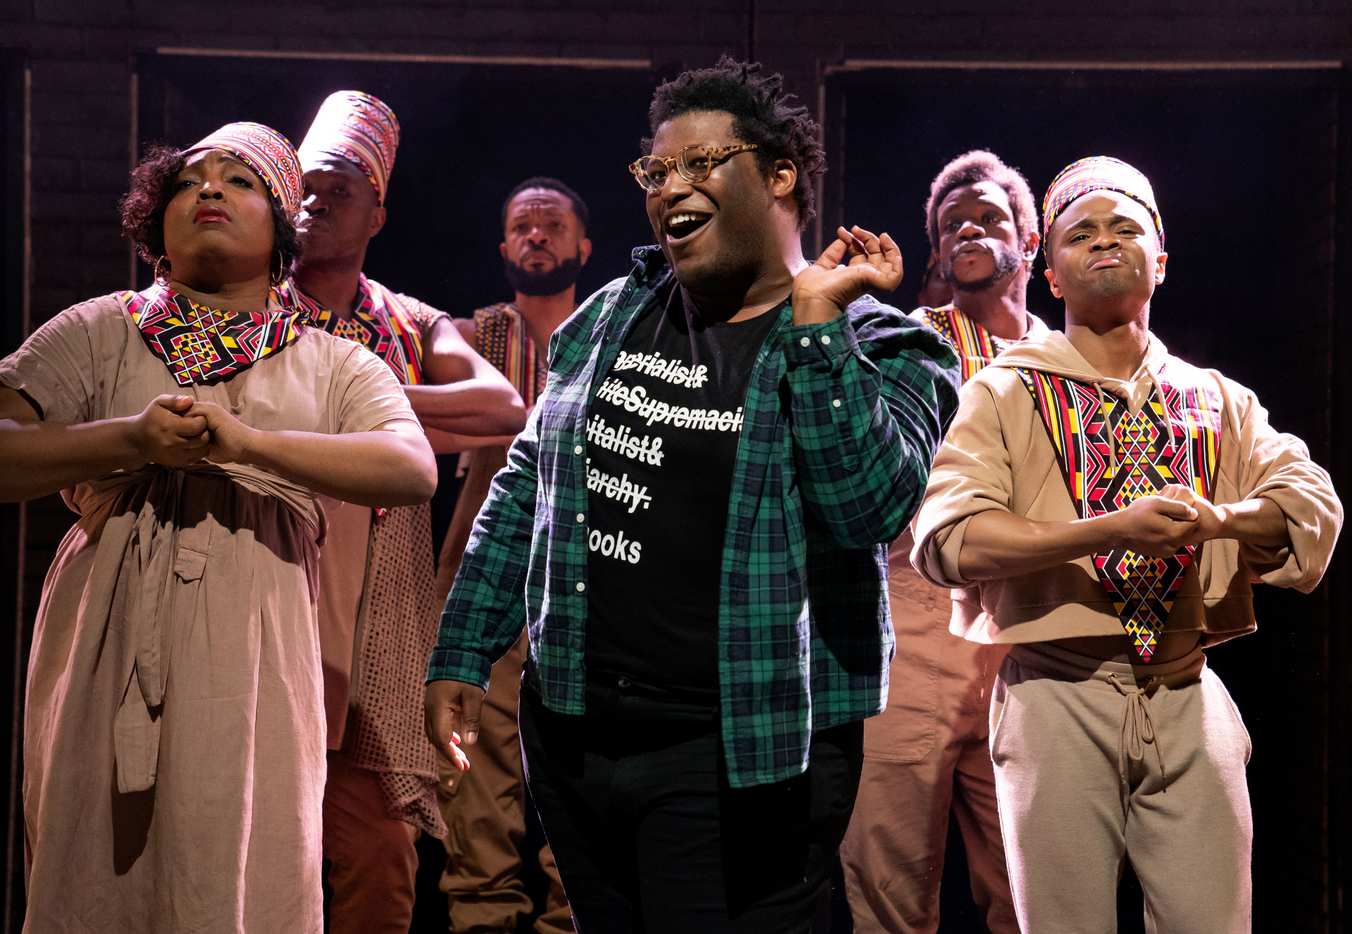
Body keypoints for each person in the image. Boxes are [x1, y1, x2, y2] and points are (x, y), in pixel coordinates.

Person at [425, 57, 959, 933]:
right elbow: (529, 485)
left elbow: (868, 508)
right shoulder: (610, 315)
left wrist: (818, 325)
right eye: (657, 171)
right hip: (575, 733)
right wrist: (462, 649)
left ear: (780, 174)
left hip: (741, 751)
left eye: (702, 163)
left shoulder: (885, 344)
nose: (672, 186)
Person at [0, 121, 435, 932]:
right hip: (108, 625)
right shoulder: (100, 329)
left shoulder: (332, 360)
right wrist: (129, 439)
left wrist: (248, 444)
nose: (209, 190)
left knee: (242, 857)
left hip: (258, 640)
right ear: (156, 223)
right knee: (95, 857)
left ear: (284, 228)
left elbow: (411, 467)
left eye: (241, 181)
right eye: (188, 181)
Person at [912, 155, 1342, 932]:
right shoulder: (1005, 390)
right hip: (1056, 695)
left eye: (1125, 228)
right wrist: (1104, 531)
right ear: (1051, 274)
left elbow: (1310, 502)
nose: (1105, 242)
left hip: (1184, 692)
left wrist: (1221, 521)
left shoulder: (1216, 398)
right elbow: (949, 537)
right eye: (1081, 234)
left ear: (1162, 258)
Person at [279, 91, 527, 934]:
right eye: (303, 186)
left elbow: (501, 408)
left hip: (378, 618)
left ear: (378, 211)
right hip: (279, 587)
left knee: (379, 869)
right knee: (257, 851)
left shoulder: (407, 321)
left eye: (339, 187)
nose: (315, 202)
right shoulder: (253, 314)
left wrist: (353, 399)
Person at [840, 150, 1038, 933]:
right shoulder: (905, 344)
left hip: (1031, 644)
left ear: (1029, 239)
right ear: (934, 254)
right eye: (951, 222)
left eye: (989, 217)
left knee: (1032, 901)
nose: (969, 228)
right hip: (912, 631)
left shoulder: (1068, 360)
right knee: (889, 898)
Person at [434, 175, 591, 934]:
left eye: (553, 225)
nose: (537, 236)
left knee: (580, 788)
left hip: (583, 584)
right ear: (503, 246)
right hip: (487, 582)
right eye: (523, 226)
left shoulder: (606, 337)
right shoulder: (469, 340)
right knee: (476, 791)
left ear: (583, 246)